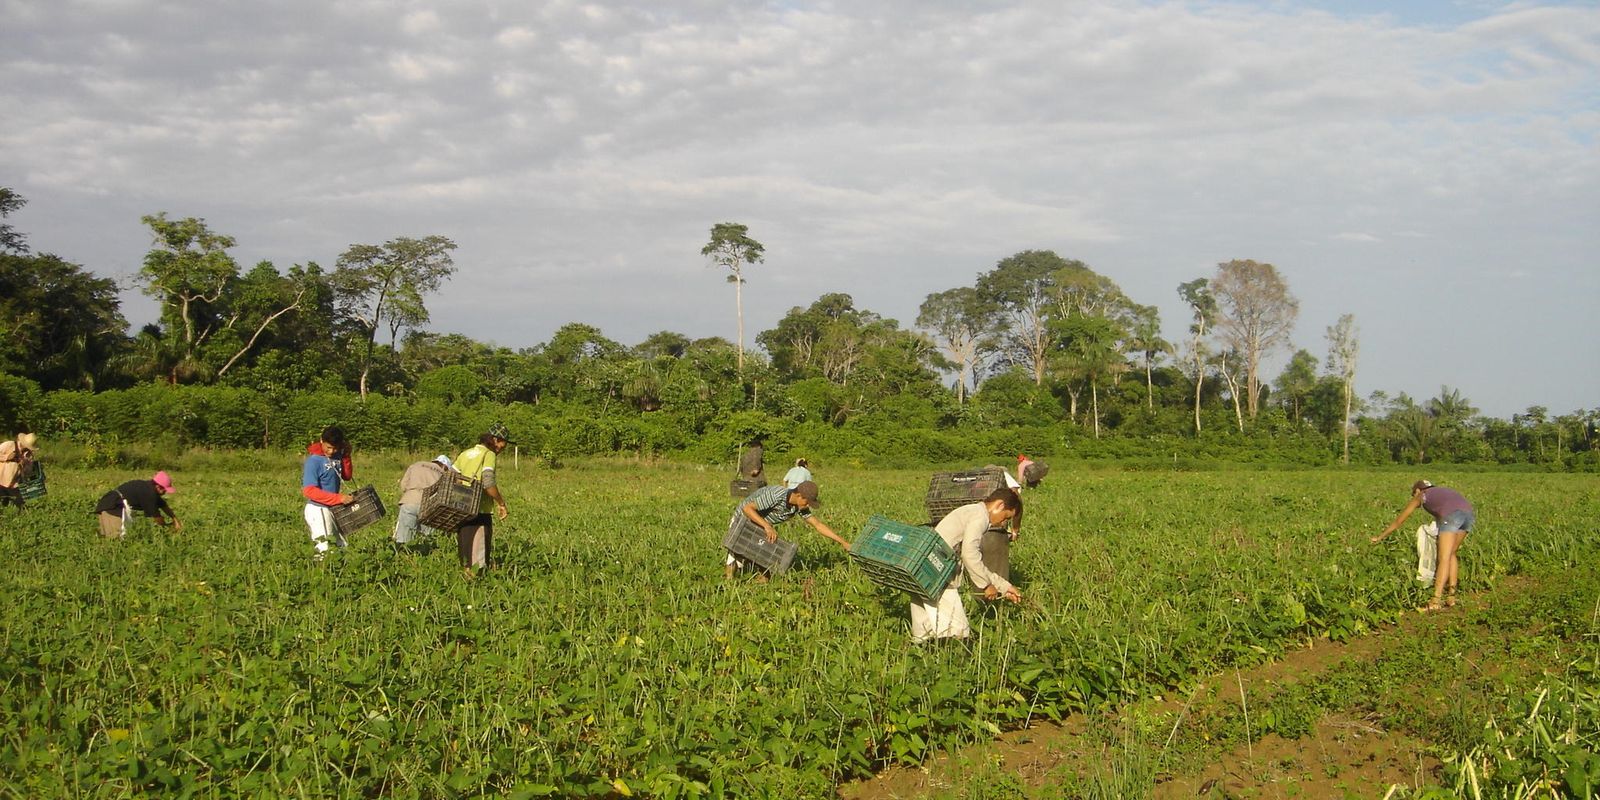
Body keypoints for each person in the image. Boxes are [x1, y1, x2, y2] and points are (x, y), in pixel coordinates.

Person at [912, 487, 1024, 642]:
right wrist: (986, 585)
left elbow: (972, 559)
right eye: (1006, 517)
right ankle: (951, 660)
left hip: (921, 566)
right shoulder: (980, 517)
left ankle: (923, 655)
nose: (1004, 523)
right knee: (958, 633)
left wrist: (1004, 587)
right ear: (999, 505)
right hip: (938, 572)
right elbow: (970, 554)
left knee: (924, 631)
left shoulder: (971, 510)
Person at [1370, 480, 1476, 611]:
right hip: (1469, 515)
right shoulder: (1440, 492)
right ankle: (1451, 596)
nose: (1414, 497)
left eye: (1413, 494)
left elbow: (1399, 520)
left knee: (1443, 557)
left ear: (1418, 490)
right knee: (1452, 553)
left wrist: (1380, 537)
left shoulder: (1422, 495)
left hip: (1452, 515)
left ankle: (1436, 599)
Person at [724, 480, 848, 579]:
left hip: (761, 524)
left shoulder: (798, 506)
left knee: (761, 552)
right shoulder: (776, 495)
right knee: (737, 551)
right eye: (808, 502)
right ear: (799, 495)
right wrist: (767, 526)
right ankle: (729, 583)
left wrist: (843, 542)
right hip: (743, 519)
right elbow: (747, 509)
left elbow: (817, 525)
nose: (808, 505)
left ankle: (760, 579)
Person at [454, 423, 512, 576]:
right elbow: (488, 482)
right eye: (501, 445)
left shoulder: (465, 454)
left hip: (461, 509)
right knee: (478, 558)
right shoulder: (489, 454)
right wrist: (501, 503)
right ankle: (477, 586)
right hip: (479, 511)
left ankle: (466, 580)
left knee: (466, 554)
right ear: (494, 440)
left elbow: (451, 477)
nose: (500, 449)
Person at [302, 425, 355, 558]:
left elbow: (347, 476)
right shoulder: (313, 461)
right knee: (324, 547)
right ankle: (321, 573)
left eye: (335, 448)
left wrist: (346, 456)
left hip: (333, 508)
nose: (331, 451)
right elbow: (309, 491)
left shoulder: (338, 455)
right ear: (321, 441)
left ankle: (340, 574)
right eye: (328, 447)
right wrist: (339, 498)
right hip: (318, 508)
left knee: (341, 545)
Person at [94, 471, 182, 538]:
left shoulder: (149, 488)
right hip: (112, 507)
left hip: (109, 504)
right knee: (115, 539)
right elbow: (157, 517)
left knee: (108, 538)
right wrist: (168, 528)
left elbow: (163, 505)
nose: (165, 492)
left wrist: (174, 519)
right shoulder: (149, 494)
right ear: (158, 487)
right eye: (165, 490)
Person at [394, 455, 454, 546]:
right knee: (428, 539)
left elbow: (403, 485)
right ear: (445, 467)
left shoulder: (416, 465)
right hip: (430, 506)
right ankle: (424, 554)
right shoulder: (443, 474)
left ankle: (402, 555)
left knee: (404, 537)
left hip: (410, 501)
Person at [0, 440, 24, 510]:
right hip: (2, 479)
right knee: (4, 500)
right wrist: (7, 457)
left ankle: (19, 515)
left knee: (19, 501)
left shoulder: (26, 452)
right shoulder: (9, 444)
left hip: (13, 481)